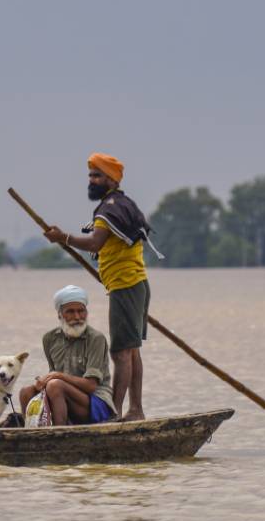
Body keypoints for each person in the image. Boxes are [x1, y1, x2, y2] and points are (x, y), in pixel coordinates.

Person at [42, 152, 159, 420]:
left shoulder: (110, 209)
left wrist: (64, 238)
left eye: (98, 176)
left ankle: (115, 415)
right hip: (134, 284)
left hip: (126, 285)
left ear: (111, 180)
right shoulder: (120, 204)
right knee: (131, 350)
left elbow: (95, 243)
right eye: (91, 176)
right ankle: (135, 410)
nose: (92, 180)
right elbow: (105, 246)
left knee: (121, 352)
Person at [17, 285, 116, 426]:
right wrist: (43, 382)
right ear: (60, 314)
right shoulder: (49, 338)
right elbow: (53, 372)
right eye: (70, 312)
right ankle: (30, 434)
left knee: (55, 385)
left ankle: (60, 433)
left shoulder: (96, 338)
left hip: (95, 403)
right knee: (26, 391)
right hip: (62, 395)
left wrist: (58, 376)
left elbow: (91, 386)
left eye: (81, 311)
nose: (77, 317)